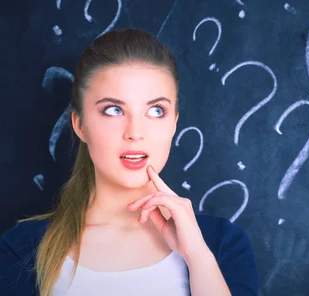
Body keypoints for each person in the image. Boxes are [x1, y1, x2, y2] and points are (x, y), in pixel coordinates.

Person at [0, 28, 258, 296]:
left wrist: (197, 256)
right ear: (80, 125)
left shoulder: (223, 245)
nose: (135, 132)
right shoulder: (23, 249)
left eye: (156, 111)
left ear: (173, 124)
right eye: (113, 110)